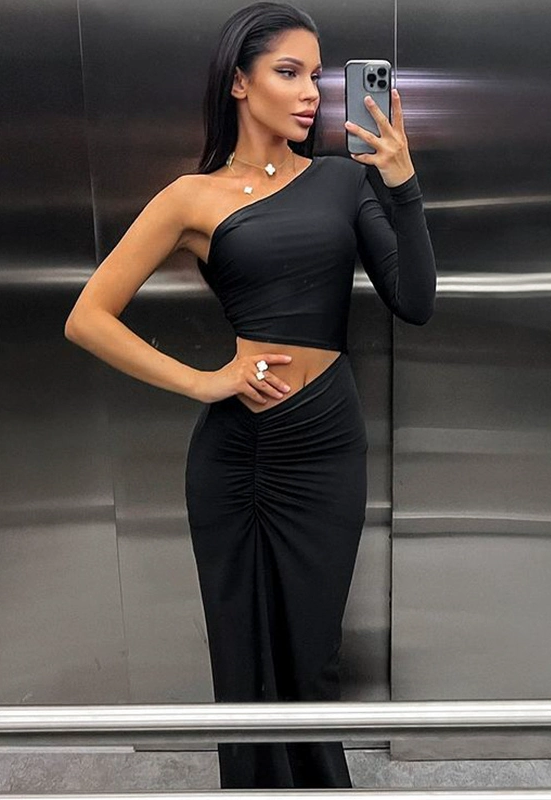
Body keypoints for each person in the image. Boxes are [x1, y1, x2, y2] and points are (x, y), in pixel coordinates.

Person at [65, 0, 435, 789]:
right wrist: (204, 380)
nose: (310, 93)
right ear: (239, 82)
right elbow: (87, 317)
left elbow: (415, 300)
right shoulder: (190, 197)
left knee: (313, 655)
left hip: (326, 443)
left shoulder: (343, 179)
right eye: (288, 72)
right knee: (241, 659)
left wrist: (401, 182)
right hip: (238, 456)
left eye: (316, 76)